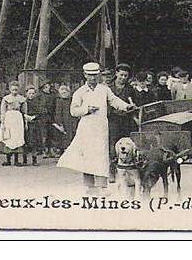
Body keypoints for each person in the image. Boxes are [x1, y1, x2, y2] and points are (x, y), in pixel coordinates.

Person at [57, 62, 136, 194]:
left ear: (98, 75)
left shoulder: (104, 89)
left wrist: (126, 106)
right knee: (87, 156)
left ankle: (102, 186)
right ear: (85, 75)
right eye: (90, 75)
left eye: (95, 75)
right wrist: (87, 109)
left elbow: (114, 101)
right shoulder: (80, 92)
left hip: (101, 128)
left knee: (101, 155)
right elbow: (73, 111)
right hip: (86, 128)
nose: (93, 78)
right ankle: (89, 186)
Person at [108, 63, 139, 182]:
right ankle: (112, 170)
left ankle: (129, 171)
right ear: (116, 74)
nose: (123, 78)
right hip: (113, 119)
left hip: (126, 120)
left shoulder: (130, 89)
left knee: (127, 144)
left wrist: (133, 108)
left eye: (126, 76)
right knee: (113, 144)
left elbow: (134, 104)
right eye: (121, 75)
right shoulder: (109, 88)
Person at [0, 80, 27, 166]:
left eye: (16, 89)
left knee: (17, 137)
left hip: (18, 118)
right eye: (13, 89)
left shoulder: (22, 99)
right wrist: (3, 120)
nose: (14, 91)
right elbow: (2, 110)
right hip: (9, 118)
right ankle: (8, 159)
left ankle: (16, 160)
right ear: (10, 89)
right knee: (9, 137)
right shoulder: (6, 99)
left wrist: (25, 122)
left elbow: (24, 111)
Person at [23, 86, 50, 165]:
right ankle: (25, 160)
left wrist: (34, 117)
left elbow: (41, 112)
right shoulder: (24, 102)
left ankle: (34, 160)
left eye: (33, 93)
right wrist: (25, 116)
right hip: (26, 123)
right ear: (26, 94)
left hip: (34, 124)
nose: (31, 95)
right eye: (29, 93)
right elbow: (20, 111)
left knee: (34, 142)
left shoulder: (37, 103)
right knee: (25, 141)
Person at [51, 83, 77, 154]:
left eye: (65, 91)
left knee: (71, 135)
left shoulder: (71, 100)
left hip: (71, 120)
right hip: (62, 120)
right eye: (62, 91)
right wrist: (59, 123)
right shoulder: (58, 101)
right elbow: (57, 112)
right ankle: (62, 151)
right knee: (62, 136)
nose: (64, 92)